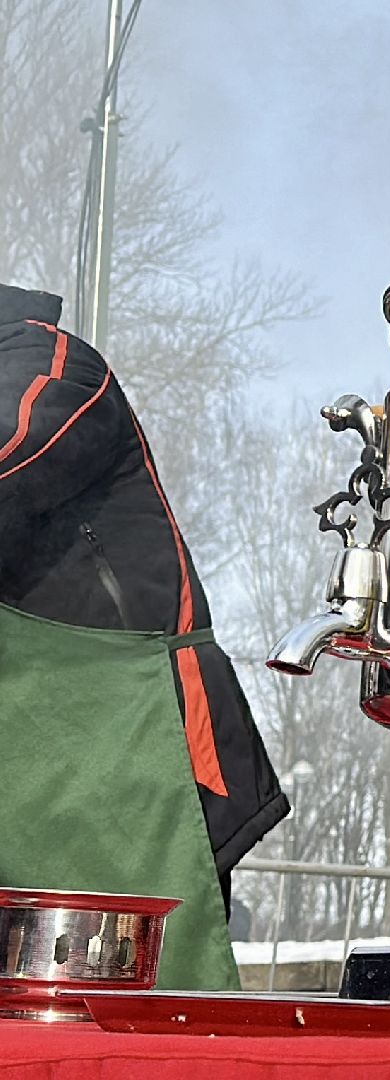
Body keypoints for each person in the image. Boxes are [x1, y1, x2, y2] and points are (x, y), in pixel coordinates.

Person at [0, 283, 287, 990]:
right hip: (34, 758)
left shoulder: (52, 362)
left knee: (133, 1022)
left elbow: (14, 451)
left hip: (141, 746)